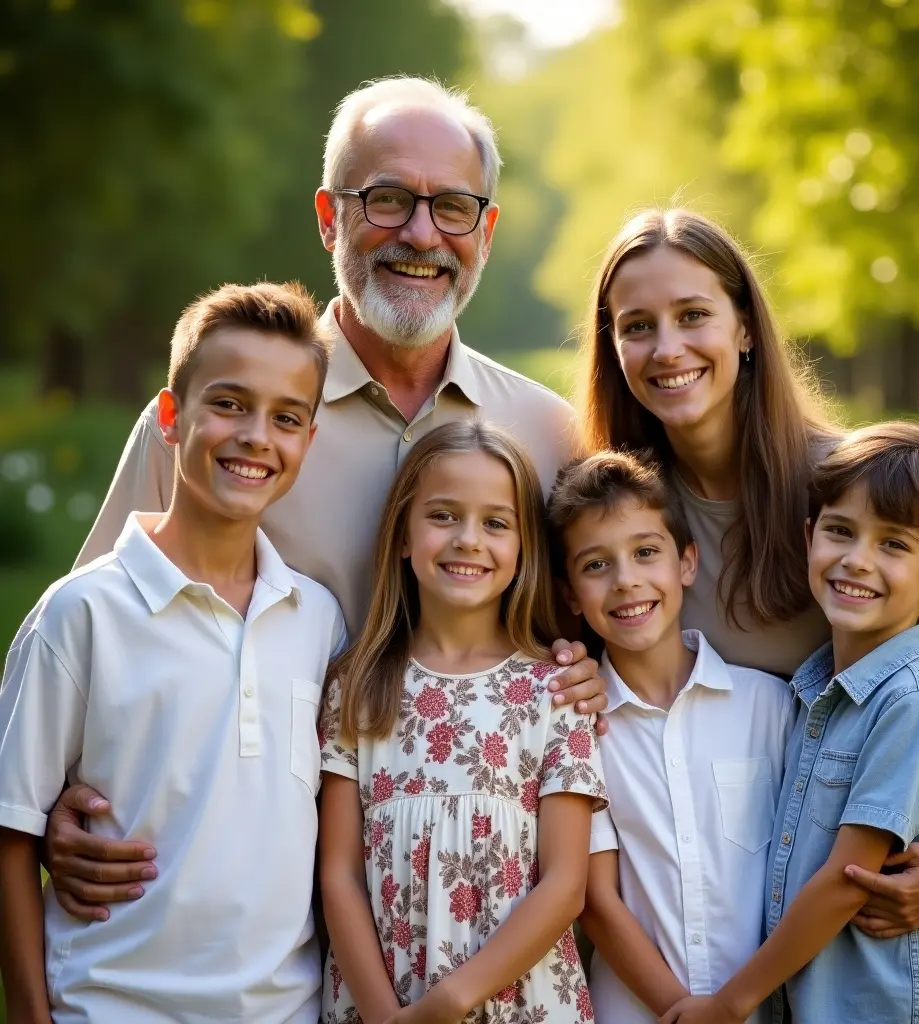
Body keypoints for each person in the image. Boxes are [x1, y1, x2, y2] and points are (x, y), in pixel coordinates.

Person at [39, 76, 607, 917]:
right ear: (327, 216)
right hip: (228, 905)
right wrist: (56, 816)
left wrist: (588, 673)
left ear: (484, 232)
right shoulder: (223, 425)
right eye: (386, 199)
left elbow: (595, 640)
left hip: (474, 916)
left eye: (452, 206)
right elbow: (86, 644)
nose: (421, 233)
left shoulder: (547, 435)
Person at [581, 207, 919, 939]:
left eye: (693, 315)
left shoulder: (850, 494)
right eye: (637, 325)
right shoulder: (624, 519)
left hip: (849, 902)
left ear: (745, 328)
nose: (667, 347)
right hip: (694, 904)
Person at [0, 283, 345, 1023]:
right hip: (112, 1007)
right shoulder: (82, 613)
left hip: (285, 1011)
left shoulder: (316, 620)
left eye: (286, 418)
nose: (256, 435)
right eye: (228, 404)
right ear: (170, 417)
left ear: (307, 443)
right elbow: (10, 830)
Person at [659, 418, 919, 1024]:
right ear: (810, 536)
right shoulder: (816, 689)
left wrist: (732, 1002)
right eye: (840, 531)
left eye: (894, 544)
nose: (858, 561)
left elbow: (848, 878)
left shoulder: (914, 705)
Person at [318, 420, 607, 1024]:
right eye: (443, 515)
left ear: (525, 546)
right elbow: (340, 873)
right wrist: (385, 1016)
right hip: (380, 1000)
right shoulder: (358, 687)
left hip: (522, 1003)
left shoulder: (553, 690)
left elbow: (564, 885)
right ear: (402, 534)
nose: (468, 540)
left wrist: (448, 1004)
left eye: (496, 523)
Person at [546, 451, 794, 1024]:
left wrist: (734, 1006)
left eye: (645, 553)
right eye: (595, 565)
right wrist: (684, 1012)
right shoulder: (576, 725)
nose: (626, 579)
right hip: (637, 1011)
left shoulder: (769, 707)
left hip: (766, 1007)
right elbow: (598, 902)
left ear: (686, 562)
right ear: (569, 594)